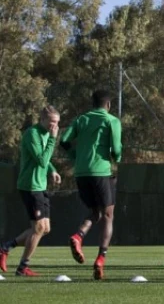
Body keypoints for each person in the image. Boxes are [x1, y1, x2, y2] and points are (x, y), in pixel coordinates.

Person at [60, 90, 123, 280]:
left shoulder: (81, 119)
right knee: (108, 215)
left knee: (95, 212)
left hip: (81, 173)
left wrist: (75, 157)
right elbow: (117, 148)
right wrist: (116, 158)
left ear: (92, 103)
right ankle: (100, 259)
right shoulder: (111, 121)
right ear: (108, 105)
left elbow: (63, 140)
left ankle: (78, 236)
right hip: (101, 172)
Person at [0, 106, 62, 276]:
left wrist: (53, 170)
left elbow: (45, 160)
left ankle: (6, 247)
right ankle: (22, 268)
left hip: (40, 185)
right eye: (51, 122)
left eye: (57, 123)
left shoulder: (45, 134)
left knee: (46, 228)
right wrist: (52, 140)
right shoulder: (32, 134)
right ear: (42, 120)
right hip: (30, 186)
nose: (54, 126)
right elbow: (41, 159)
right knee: (38, 228)